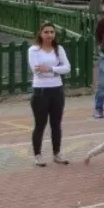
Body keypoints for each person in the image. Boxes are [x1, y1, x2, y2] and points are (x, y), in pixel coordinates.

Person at [28, 21, 71, 167]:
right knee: (40, 124)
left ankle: (57, 153)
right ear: (40, 33)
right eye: (46, 32)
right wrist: (55, 70)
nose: (49, 35)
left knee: (56, 124)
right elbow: (37, 71)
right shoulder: (34, 50)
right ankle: (38, 155)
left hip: (57, 90)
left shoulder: (59, 49)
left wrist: (51, 69)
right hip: (40, 91)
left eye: (52, 32)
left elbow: (67, 68)